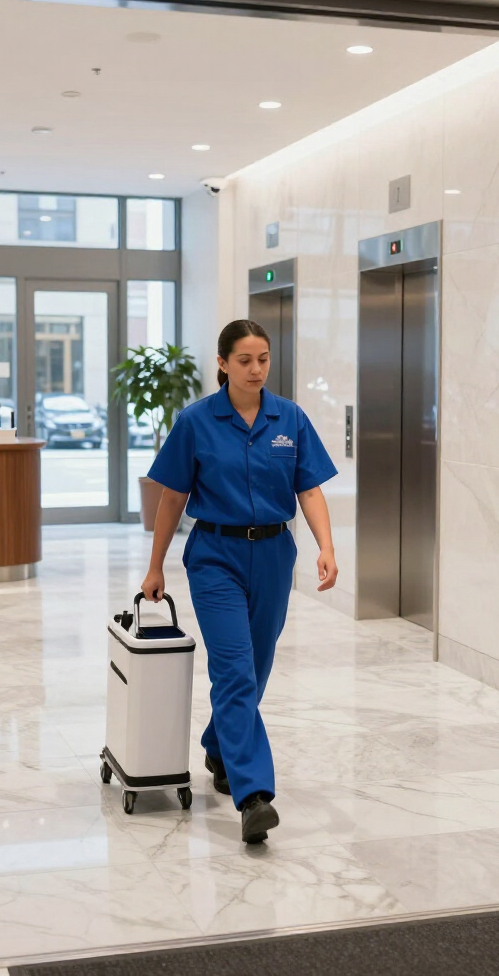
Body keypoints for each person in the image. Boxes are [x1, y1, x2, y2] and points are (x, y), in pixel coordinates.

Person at [142, 319, 339, 845]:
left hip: (275, 553)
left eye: (264, 359)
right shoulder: (196, 421)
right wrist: (156, 563)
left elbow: (311, 490)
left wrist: (326, 546)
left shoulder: (288, 418)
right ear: (223, 364)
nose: (256, 369)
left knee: (257, 665)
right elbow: (172, 498)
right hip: (216, 555)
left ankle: (219, 744)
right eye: (245, 360)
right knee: (233, 669)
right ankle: (254, 795)